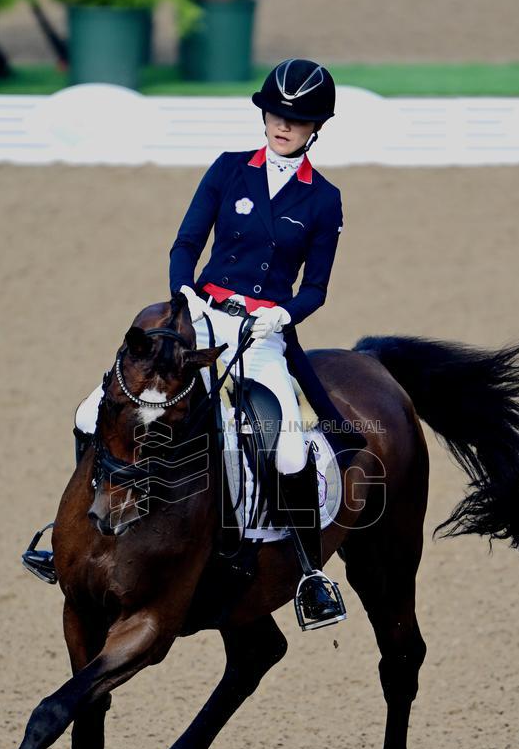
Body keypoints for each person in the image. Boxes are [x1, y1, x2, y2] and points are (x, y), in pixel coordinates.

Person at [23, 59, 359, 630]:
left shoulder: (324, 199)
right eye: (276, 114)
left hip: (261, 338)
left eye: (298, 120)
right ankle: (73, 532)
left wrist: (282, 315)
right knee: (89, 412)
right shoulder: (229, 169)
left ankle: (309, 573)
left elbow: (316, 289)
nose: (283, 125)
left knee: (288, 452)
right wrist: (185, 294)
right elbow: (186, 244)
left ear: (316, 128)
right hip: (198, 322)